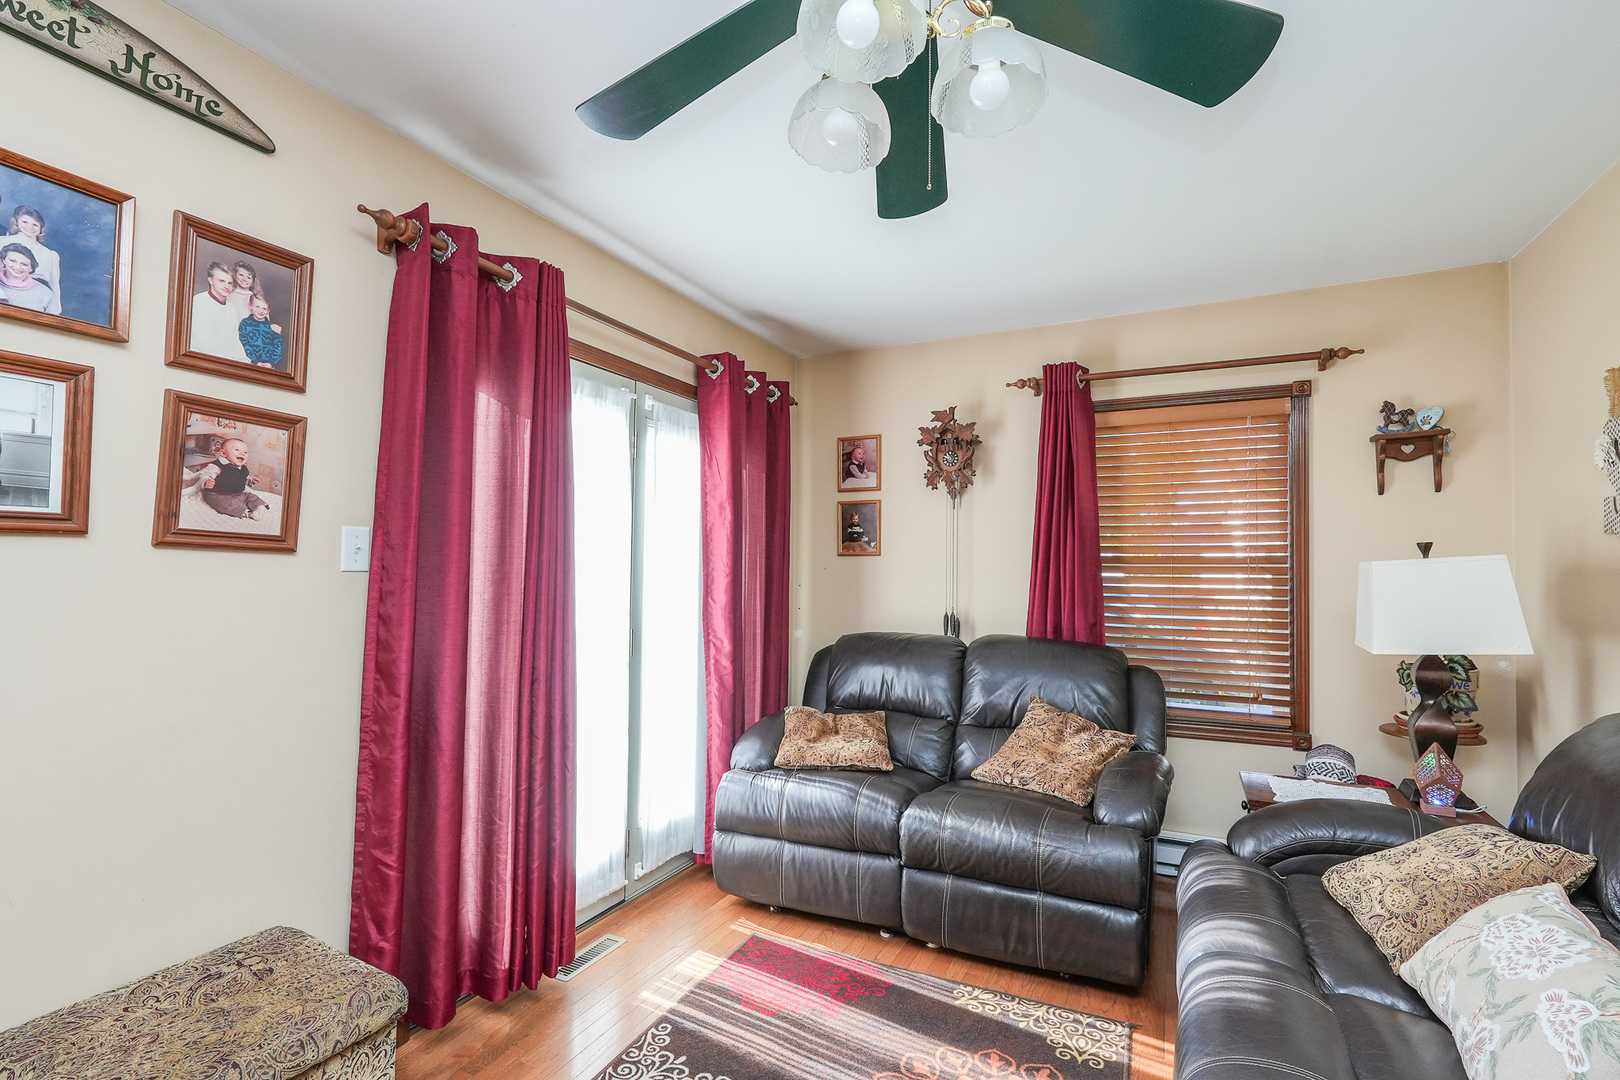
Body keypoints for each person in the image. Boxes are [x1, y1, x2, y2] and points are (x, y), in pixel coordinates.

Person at [1, 207, 62, 309]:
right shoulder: (1, 242)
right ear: (16, 222)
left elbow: (54, 284)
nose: (30, 227)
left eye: (35, 224)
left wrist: (56, 309)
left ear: (41, 228)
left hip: (34, 299)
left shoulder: (50, 255)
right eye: (25, 222)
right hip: (3, 293)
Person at [191, 262, 252, 361]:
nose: (226, 286)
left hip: (227, 363)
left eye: (230, 283)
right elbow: (200, 341)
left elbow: (235, 340)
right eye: (222, 281)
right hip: (204, 361)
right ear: (210, 280)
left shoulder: (231, 308)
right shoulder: (199, 301)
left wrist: (244, 361)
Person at [198, 437, 269, 520]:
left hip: (237, 494)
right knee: (226, 504)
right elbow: (205, 474)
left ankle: (260, 507)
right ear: (223, 454)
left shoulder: (243, 469)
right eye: (237, 450)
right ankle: (247, 513)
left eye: (245, 452)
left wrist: (251, 480)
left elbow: (243, 479)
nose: (242, 453)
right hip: (218, 494)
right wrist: (206, 481)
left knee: (250, 496)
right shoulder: (218, 466)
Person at [0, 243, 61, 314]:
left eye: (24, 264)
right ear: (4, 260)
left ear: (31, 268)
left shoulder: (46, 294)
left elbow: (54, 322)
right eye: (12, 261)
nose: (17, 267)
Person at [238, 295, 285, 369]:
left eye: (264, 308)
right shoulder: (245, 323)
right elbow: (244, 343)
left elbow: (278, 347)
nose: (261, 311)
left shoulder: (273, 327)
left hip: (268, 366)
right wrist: (255, 361)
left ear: (268, 311)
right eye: (257, 307)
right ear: (251, 306)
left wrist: (271, 363)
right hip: (250, 363)